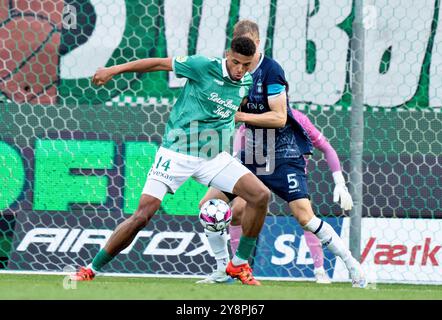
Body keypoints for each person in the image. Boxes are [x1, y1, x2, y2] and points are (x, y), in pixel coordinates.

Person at [72, 36, 271, 286]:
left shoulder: (246, 81)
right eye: (235, 62)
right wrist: (114, 70)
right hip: (176, 153)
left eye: (246, 64)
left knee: (260, 196)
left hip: (213, 157)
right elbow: (157, 63)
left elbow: (231, 108)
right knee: (143, 215)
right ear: (227, 55)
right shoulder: (202, 66)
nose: (240, 69)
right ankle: (91, 268)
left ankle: (238, 264)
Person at [196, 20, 367, 288]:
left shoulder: (272, 71)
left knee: (305, 217)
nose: (242, 62)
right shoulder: (231, 68)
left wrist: (237, 114)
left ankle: (352, 265)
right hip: (250, 156)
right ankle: (223, 269)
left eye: (249, 52)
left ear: (258, 43)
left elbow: (278, 117)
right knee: (209, 206)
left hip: (282, 156)